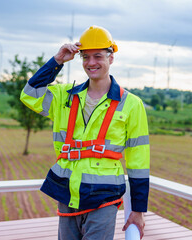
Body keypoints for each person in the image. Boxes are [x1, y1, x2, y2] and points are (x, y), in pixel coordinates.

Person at [20, 25, 150, 240]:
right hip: (67, 191)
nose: (91, 63)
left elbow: (139, 161)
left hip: (104, 196)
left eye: (98, 56)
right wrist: (57, 61)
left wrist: (138, 211)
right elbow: (29, 94)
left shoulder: (132, 104)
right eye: (85, 57)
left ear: (111, 58)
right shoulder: (64, 96)